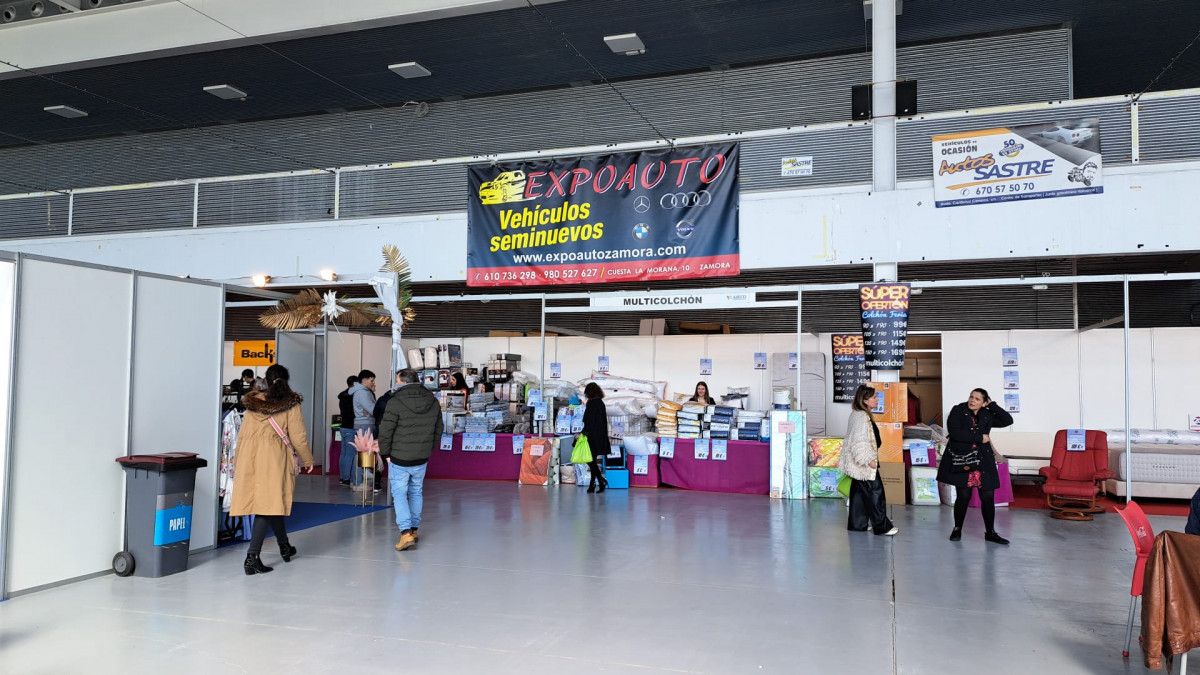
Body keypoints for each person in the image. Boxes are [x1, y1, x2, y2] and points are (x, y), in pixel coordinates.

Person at [230, 364, 313, 575]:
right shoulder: (290, 403)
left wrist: (237, 461)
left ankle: (285, 546)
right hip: (273, 457)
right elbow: (298, 436)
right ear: (286, 380)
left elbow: (243, 435)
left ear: (266, 381)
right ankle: (252, 557)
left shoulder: (253, 403)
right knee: (267, 505)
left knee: (271, 502)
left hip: (250, 456)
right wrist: (307, 459)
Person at [377, 369, 443, 551]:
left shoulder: (395, 401)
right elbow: (439, 428)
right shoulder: (432, 399)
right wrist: (428, 448)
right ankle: (414, 530)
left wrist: (386, 453)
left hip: (399, 457)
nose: (395, 383)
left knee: (399, 494)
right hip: (421, 457)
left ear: (403, 382)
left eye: (397, 380)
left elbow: (386, 430)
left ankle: (405, 533)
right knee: (416, 492)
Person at [938, 387, 1014, 544]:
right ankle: (957, 528)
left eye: (977, 399)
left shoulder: (987, 413)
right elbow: (955, 433)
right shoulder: (958, 410)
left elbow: (1007, 420)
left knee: (987, 496)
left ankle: (990, 532)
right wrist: (979, 438)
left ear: (984, 402)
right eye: (971, 397)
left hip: (983, 460)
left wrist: (992, 405)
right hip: (963, 459)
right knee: (963, 496)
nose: (972, 400)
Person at [839, 385, 898, 536]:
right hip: (864, 464)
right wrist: (868, 460)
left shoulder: (858, 414)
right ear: (865, 400)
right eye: (874, 397)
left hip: (858, 464)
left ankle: (857, 525)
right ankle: (882, 527)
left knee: (859, 494)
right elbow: (859, 442)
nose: (877, 399)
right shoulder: (861, 417)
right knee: (876, 492)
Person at [347, 370, 380, 493]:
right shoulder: (363, 393)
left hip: (364, 424)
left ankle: (361, 476)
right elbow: (372, 409)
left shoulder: (361, 392)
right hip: (365, 424)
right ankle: (357, 482)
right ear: (364, 380)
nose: (373, 383)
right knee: (362, 453)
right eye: (371, 380)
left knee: (363, 452)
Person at [582, 382, 611, 493]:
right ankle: (593, 485)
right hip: (600, 436)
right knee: (592, 460)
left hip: (592, 436)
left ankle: (600, 480)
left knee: (589, 460)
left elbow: (589, 422)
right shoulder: (601, 403)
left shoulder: (592, 403)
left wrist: (582, 433)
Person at [336, 375, 359, 487]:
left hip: (343, 427)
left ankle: (343, 477)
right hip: (351, 427)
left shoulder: (343, 395)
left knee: (344, 453)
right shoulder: (353, 396)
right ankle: (346, 479)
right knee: (350, 454)